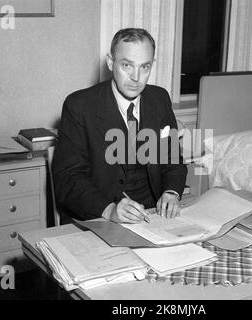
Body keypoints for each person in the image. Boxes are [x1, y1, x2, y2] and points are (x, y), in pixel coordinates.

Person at [52, 28, 187, 224]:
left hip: (153, 215)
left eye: (145, 67)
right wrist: (109, 210)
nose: (136, 77)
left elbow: (172, 158)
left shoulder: (160, 99)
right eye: (127, 65)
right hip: (98, 216)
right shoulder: (79, 105)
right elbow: (68, 178)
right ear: (110, 62)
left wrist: (171, 192)